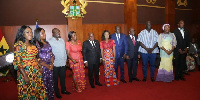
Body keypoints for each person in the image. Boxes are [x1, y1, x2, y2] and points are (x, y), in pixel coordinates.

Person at [13, 25, 47, 99]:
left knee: (37, 90)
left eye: (31, 32)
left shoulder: (33, 44)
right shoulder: (19, 45)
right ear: (22, 33)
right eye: (27, 32)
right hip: (25, 72)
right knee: (27, 92)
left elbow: (35, 58)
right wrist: (25, 76)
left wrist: (40, 67)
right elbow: (18, 62)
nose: (30, 34)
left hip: (35, 71)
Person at [48, 28, 71, 99]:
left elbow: (64, 51)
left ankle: (63, 90)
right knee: (55, 79)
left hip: (62, 63)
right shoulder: (49, 41)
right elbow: (49, 53)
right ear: (53, 33)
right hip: (55, 64)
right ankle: (57, 92)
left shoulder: (62, 40)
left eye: (59, 32)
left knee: (63, 78)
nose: (58, 33)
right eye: (56, 32)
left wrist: (66, 60)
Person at [34, 27, 55, 100]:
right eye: (42, 33)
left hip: (50, 66)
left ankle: (51, 97)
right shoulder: (36, 44)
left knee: (50, 83)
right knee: (43, 84)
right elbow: (37, 58)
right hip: (42, 67)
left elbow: (51, 54)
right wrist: (47, 66)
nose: (44, 34)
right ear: (37, 34)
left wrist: (52, 64)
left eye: (44, 32)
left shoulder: (47, 43)